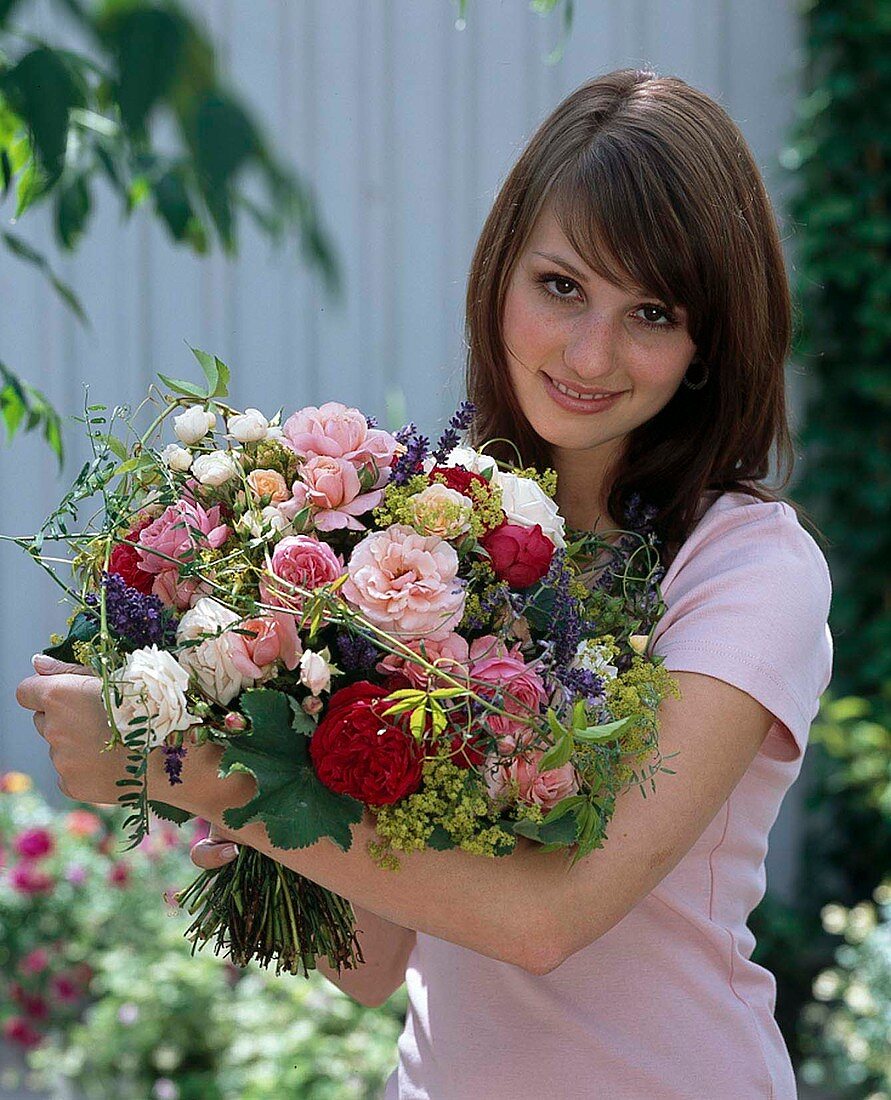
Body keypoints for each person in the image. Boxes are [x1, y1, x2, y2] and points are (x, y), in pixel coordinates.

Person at [16, 68, 833, 1099]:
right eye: (562, 285)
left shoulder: (749, 566)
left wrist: (169, 762)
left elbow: (546, 919)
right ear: (500, 276)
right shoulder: (435, 539)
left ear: (707, 341)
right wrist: (252, 751)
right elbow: (370, 965)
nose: (591, 351)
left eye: (653, 310)